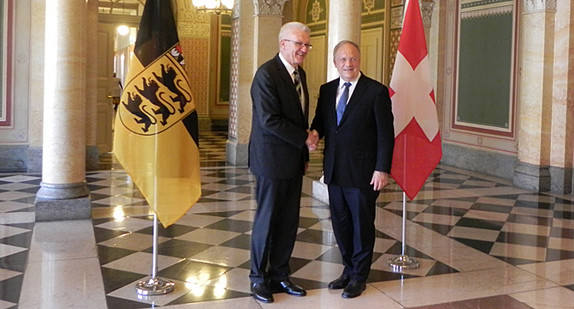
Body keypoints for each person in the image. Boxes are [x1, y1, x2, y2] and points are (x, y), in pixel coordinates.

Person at [309, 40, 394, 298]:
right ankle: (348, 268)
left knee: (362, 225)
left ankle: (359, 276)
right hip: (335, 171)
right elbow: (320, 124)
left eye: (353, 59)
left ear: (359, 61)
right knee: (341, 224)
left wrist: (382, 169)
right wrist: (313, 135)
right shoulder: (326, 90)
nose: (349, 64)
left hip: (364, 173)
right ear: (335, 63)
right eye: (343, 60)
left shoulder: (376, 92)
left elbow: (385, 135)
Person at [248, 21, 317, 304]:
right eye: (298, 44)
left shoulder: (299, 74)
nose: (303, 49)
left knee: (288, 222)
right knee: (267, 220)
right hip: (271, 162)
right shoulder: (266, 74)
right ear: (283, 44)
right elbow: (269, 120)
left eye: (306, 45)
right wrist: (305, 137)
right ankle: (257, 278)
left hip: (291, 162)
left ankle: (279, 274)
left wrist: (303, 150)